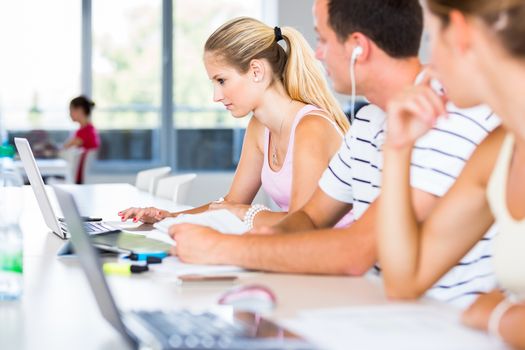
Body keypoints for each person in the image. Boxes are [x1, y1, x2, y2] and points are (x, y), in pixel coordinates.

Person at [166, 0, 499, 308]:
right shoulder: (368, 120)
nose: (318, 55)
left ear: (358, 48)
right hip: (377, 308)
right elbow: (309, 217)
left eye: (322, 40)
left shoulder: (446, 115)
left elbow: (358, 250)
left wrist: (222, 248)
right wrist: (264, 243)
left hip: (437, 322)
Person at [377, 0, 525, 347]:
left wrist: (501, 317)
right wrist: (397, 149)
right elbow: (405, 279)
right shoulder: (498, 151)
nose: (430, 64)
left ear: (459, 33)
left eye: (430, 38)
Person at [119, 17, 351, 229]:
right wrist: (168, 217)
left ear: (256, 71)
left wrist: (245, 213)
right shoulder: (259, 127)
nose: (216, 96)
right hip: (301, 253)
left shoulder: (311, 128)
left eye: (222, 80)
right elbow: (232, 202)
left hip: (341, 260)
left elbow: (303, 224)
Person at [64, 95, 100, 184]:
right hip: (79, 175)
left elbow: (65, 147)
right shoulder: (90, 129)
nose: (69, 114)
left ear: (79, 110)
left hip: (78, 177)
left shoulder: (85, 132)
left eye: (71, 110)